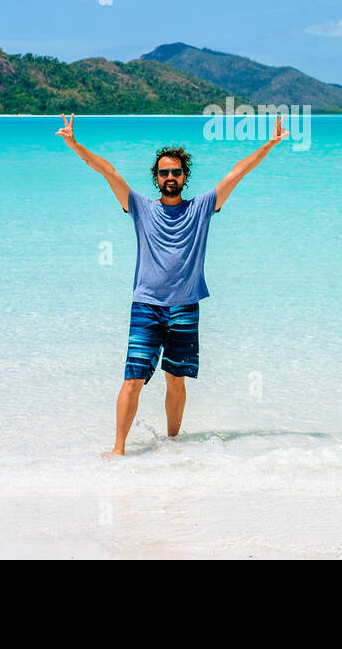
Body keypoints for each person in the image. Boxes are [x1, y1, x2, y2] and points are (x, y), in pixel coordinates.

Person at [55, 112, 288, 456]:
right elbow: (107, 171)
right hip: (146, 306)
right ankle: (118, 450)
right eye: (163, 172)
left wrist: (269, 143)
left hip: (185, 306)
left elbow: (237, 172)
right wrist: (75, 145)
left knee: (175, 380)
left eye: (175, 172)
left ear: (184, 176)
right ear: (156, 177)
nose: (169, 177)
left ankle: (173, 445)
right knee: (133, 379)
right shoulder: (140, 207)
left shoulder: (203, 207)